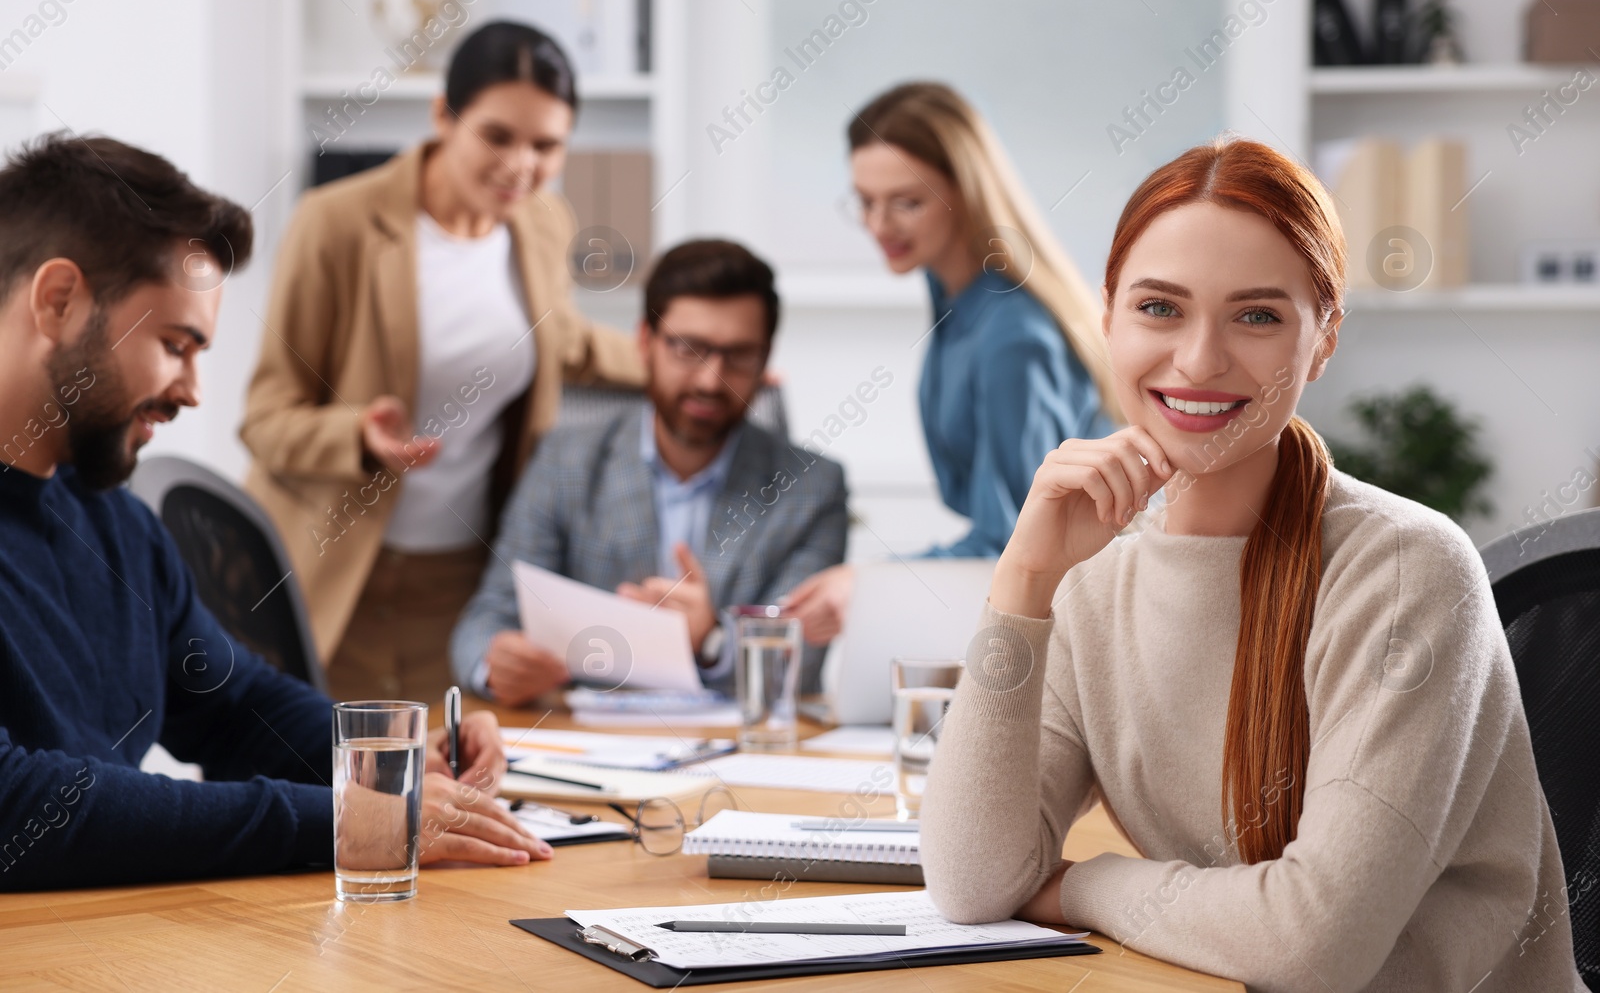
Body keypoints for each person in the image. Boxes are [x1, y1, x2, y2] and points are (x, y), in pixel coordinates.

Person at [919, 137, 1583, 990]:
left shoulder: (1408, 572)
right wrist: (1023, 582)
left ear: (1324, 339)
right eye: (1159, 308)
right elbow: (972, 883)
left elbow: (1314, 946)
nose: (1198, 360)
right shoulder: (1093, 583)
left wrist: (1081, 884)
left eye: (1258, 315)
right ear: (1107, 313)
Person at [0, 133, 549, 893]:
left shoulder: (115, 525)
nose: (192, 389)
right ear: (59, 301)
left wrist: (393, 751)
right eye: (174, 344)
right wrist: (334, 820)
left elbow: (233, 706)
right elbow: (13, 806)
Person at [241, 21, 644, 704]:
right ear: (442, 115)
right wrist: (357, 436)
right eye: (497, 136)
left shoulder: (544, 223)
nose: (522, 165)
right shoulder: (335, 223)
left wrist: (685, 365)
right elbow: (266, 417)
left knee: (449, 798)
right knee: (322, 799)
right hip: (334, 572)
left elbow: (565, 339)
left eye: (546, 145)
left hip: (460, 583)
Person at [783, 82, 1118, 641]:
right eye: (865, 201)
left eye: (906, 202)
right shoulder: (958, 308)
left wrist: (869, 584)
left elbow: (1021, 539)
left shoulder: (1012, 335)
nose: (878, 226)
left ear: (964, 193)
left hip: (1076, 629)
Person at [450, 239, 848, 705]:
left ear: (765, 361)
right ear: (645, 342)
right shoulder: (565, 460)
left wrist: (711, 640)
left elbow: (801, 665)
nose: (708, 379)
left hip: (738, 753)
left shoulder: (810, 486)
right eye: (688, 349)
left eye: (738, 356)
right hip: (585, 747)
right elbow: (489, 613)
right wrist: (494, 663)